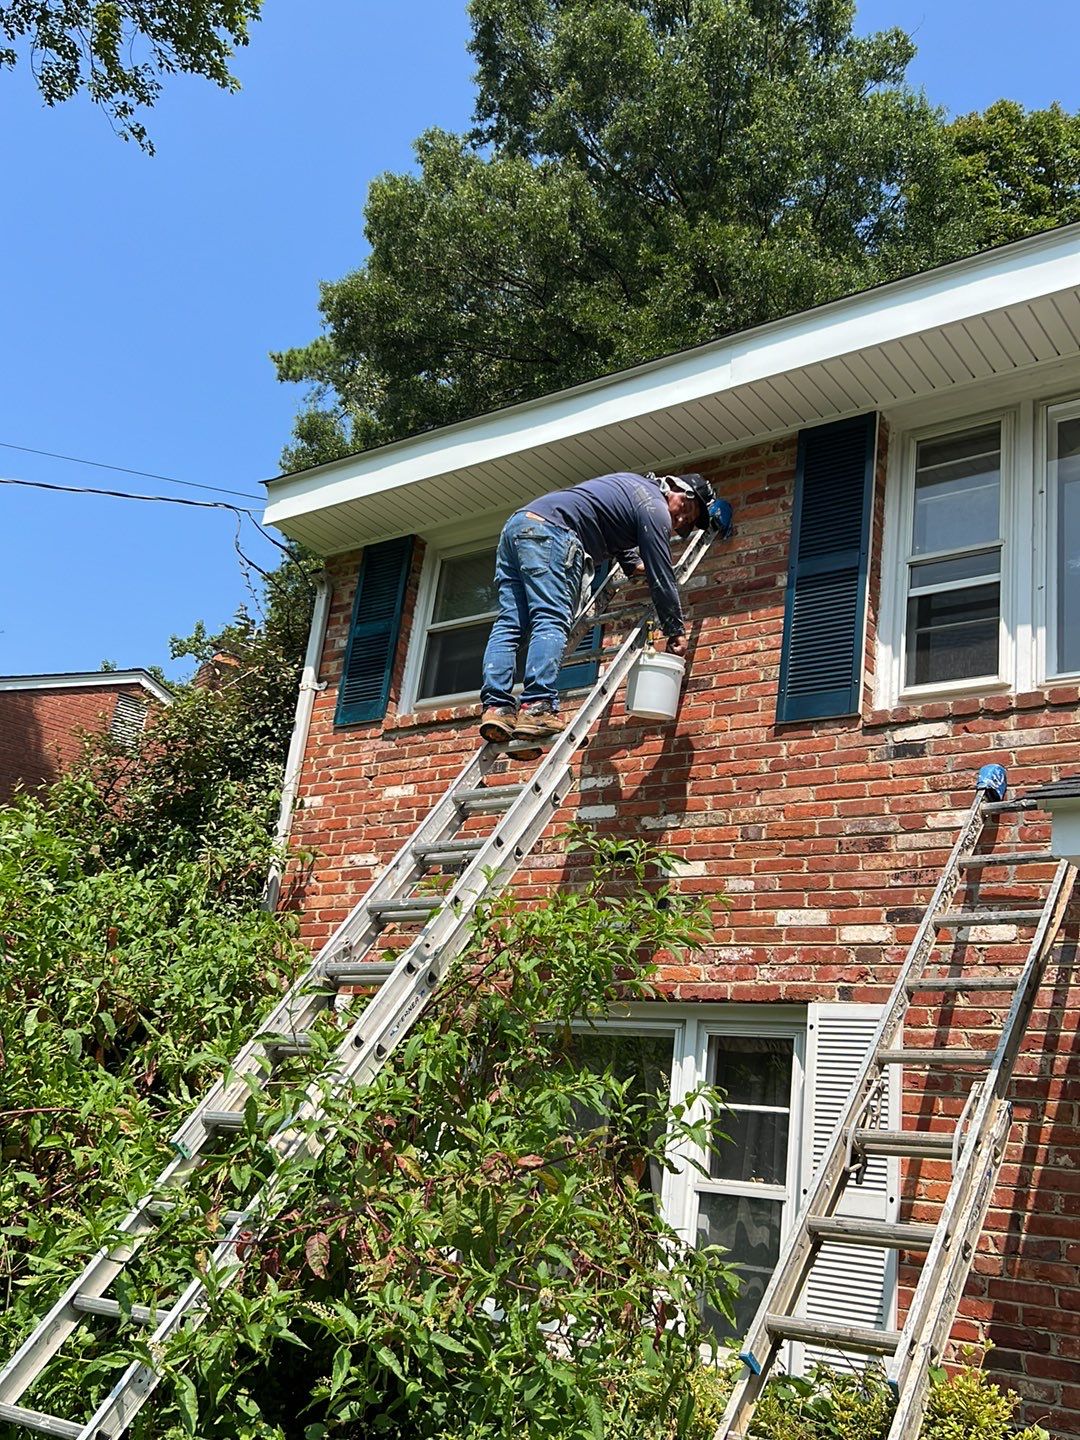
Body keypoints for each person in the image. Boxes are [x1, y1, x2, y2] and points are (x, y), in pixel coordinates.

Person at [478, 470, 719, 744]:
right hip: (552, 533)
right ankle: (536, 706)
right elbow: (661, 574)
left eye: (685, 522)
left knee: (511, 624)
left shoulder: (633, 487)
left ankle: (497, 707)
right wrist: (675, 631)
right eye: (685, 509)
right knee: (551, 619)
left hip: (518, 527)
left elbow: (611, 527)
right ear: (676, 488)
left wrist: (631, 565)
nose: (679, 519)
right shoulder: (655, 508)